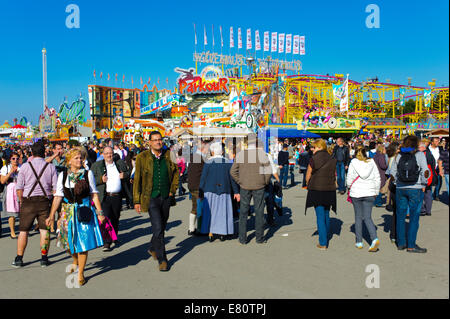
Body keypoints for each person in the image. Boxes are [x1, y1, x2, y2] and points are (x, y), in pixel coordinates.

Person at [46, 147, 105, 286]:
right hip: (67, 212)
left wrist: (100, 212)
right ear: (69, 161)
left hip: (83, 211)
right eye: (76, 158)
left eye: (80, 158)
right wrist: (51, 215)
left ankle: (81, 273)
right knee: (68, 243)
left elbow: (94, 194)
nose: (79, 160)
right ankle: (75, 259)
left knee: (83, 244)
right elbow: (58, 197)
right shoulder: (63, 176)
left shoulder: (88, 174)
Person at [133, 131, 179, 271]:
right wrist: (136, 200)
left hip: (166, 196)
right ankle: (162, 259)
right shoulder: (142, 157)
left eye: (160, 140)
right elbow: (137, 180)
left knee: (162, 227)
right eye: (155, 140)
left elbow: (176, 173)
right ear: (150, 142)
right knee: (158, 228)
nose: (158, 142)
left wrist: (173, 189)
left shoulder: (169, 155)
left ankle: (153, 247)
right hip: (151, 197)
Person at [12, 142, 58, 268]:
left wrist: (21, 201)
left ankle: (19, 258)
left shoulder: (25, 167)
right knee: (44, 230)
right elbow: (55, 189)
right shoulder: (51, 167)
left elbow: (19, 188)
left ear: (32, 153)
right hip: (44, 201)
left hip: (28, 201)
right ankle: (44, 258)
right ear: (44, 153)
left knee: (23, 231)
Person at [390, 135, 429, 253]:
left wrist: (397, 183)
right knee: (414, 217)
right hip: (415, 188)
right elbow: (425, 171)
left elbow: (392, 172)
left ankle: (401, 243)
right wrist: (423, 184)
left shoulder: (398, 155)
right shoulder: (419, 155)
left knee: (400, 216)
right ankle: (411, 245)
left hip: (401, 188)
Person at [230, 134, 272, 244]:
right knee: (259, 211)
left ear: (246, 143)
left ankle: (242, 238)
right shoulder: (262, 154)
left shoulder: (240, 155)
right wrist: (265, 181)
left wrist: (240, 181)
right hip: (259, 185)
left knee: (243, 212)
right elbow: (268, 171)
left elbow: (232, 171)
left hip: (244, 186)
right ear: (256, 142)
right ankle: (259, 238)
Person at [91, 146, 131, 251]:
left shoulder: (119, 164)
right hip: (105, 196)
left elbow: (128, 172)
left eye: (111, 153)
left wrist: (124, 175)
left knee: (115, 217)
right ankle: (107, 242)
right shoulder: (97, 165)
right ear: (103, 155)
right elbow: (90, 179)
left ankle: (114, 236)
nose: (109, 155)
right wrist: (100, 179)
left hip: (117, 196)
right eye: (107, 153)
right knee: (106, 218)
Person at [198, 142, 239, 241]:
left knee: (210, 212)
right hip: (224, 190)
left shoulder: (208, 163)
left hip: (209, 190)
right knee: (222, 212)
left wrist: (200, 192)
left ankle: (211, 232)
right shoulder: (228, 163)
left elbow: (203, 178)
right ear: (222, 151)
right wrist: (236, 192)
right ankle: (222, 233)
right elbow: (232, 179)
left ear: (212, 152)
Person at [346, 145, 381, 252]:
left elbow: (350, 177)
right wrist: (376, 191)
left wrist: (349, 187)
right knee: (367, 217)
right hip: (369, 192)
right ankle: (374, 238)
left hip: (356, 192)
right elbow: (377, 177)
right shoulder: (371, 162)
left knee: (358, 217)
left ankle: (359, 241)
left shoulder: (353, 163)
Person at [305, 139, 337, 250]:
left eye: (314, 147)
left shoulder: (313, 159)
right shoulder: (332, 158)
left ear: (319, 147)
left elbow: (308, 174)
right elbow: (334, 174)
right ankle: (326, 235)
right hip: (329, 189)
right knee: (326, 213)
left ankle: (323, 242)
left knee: (319, 215)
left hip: (317, 189)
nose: (312, 149)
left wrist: (307, 183)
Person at [187, 139, 208, 236]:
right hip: (197, 186)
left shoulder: (194, 156)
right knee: (198, 207)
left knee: (195, 206)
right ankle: (198, 229)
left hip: (192, 185)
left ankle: (192, 228)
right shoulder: (200, 158)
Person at [1, 152, 21, 239]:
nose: (15, 160)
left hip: (20, 190)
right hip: (10, 190)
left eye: (17, 158)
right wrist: (10, 172)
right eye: (13, 158)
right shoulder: (5, 168)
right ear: (10, 159)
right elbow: (2, 181)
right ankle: (12, 232)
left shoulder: (22, 167)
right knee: (11, 213)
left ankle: (23, 230)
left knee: (23, 212)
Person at [419, 139, 438, 216]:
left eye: (418, 147)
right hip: (430, 176)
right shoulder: (430, 154)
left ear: (422, 147)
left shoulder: (422, 154)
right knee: (428, 193)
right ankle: (428, 210)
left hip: (424, 175)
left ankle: (423, 209)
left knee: (421, 193)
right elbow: (433, 164)